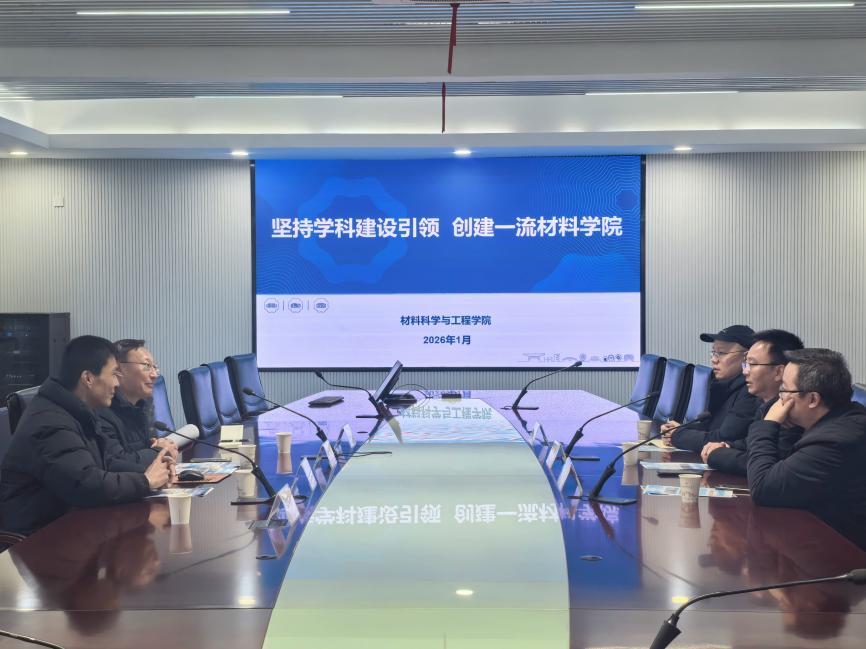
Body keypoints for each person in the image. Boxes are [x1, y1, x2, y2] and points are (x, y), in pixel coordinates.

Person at [0, 336, 172, 536]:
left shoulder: (78, 411)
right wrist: (145, 481)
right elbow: (86, 485)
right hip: (38, 540)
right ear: (88, 378)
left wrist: (155, 472)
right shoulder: (50, 422)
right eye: (113, 374)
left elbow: (108, 463)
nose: (117, 383)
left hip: (75, 525)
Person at [748, 348, 866, 550]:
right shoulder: (834, 421)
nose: (780, 399)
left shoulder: (836, 441)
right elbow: (779, 466)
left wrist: (768, 424)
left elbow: (763, 488)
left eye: (785, 390)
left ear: (813, 399)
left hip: (843, 555)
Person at [702, 329, 804, 475]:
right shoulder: (764, 404)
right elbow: (750, 443)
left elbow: (763, 464)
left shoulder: (791, 410)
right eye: (746, 364)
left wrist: (716, 454)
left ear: (779, 372)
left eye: (752, 364)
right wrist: (727, 445)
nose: (745, 371)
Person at [665, 325, 759, 452]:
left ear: (746, 357)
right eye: (713, 352)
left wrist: (678, 435)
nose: (714, 360)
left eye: (721, 353)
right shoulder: (724, 385)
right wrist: (678, 430)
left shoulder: (751, 391)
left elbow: (722, 438)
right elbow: (712, 426)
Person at [98, 338, 177, 471]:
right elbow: (116, 463)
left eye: (155, 367)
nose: (154, 375)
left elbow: (147, 450)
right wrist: (160, 452)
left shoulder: (143, 405)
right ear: (118, 369)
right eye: (146, 366)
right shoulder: (103, 412)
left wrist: (163, 455)